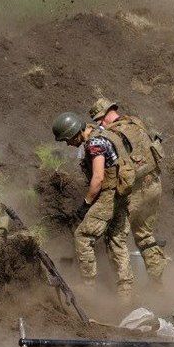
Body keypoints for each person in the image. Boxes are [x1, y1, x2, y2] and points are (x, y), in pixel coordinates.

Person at [52, 111, 134, 296]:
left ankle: (89, 288)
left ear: (75, 132)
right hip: (121, 195)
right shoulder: (102, 133)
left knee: (82, 236)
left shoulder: (94, 143)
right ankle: (126, 292)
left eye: (67, 139)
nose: (68, 144)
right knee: (116, 240)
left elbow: (98, 178)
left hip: (108, 196)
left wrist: (86, 204)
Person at [89, 98, 169, 283]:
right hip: (154, 186)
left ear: (108, 114)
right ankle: (158, 284)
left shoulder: (111, 136)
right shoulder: (136, 122)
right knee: (145, 236)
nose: (100, 124)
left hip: (135, 192)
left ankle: (125, 291)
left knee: (116, 237)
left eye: (100, 120)